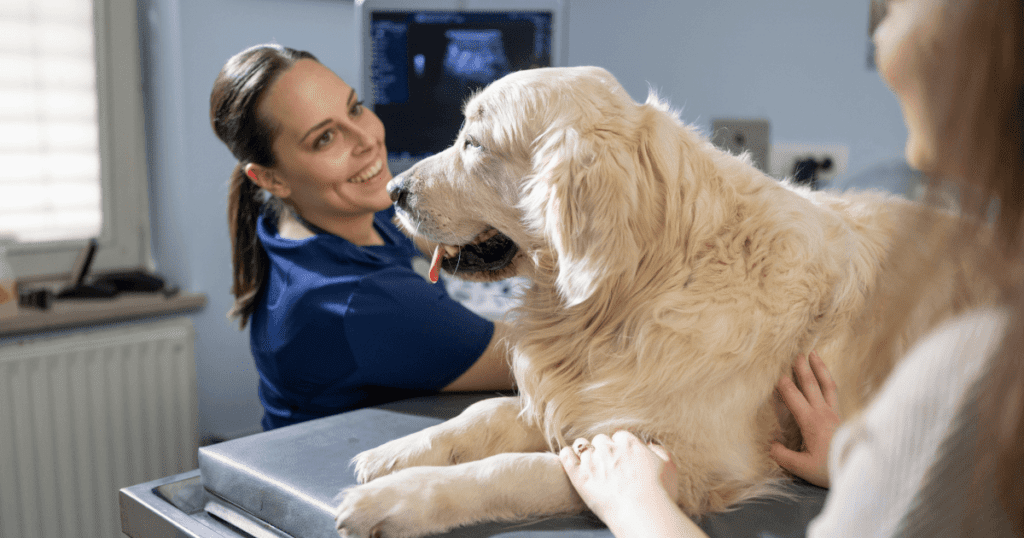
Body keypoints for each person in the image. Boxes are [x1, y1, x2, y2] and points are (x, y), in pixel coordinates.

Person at [560, 0, 1024, 536]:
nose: (883, 43)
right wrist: (859, 469)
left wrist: (636, 502)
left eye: (894, 10)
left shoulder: (972, 371)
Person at [209, 44, 515, 430]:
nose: (366, 139)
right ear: (270, 178)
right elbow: (552, 358)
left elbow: (438, 234)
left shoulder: (301, 219)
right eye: (325, 138)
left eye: (355, 108)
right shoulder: (363, 302)